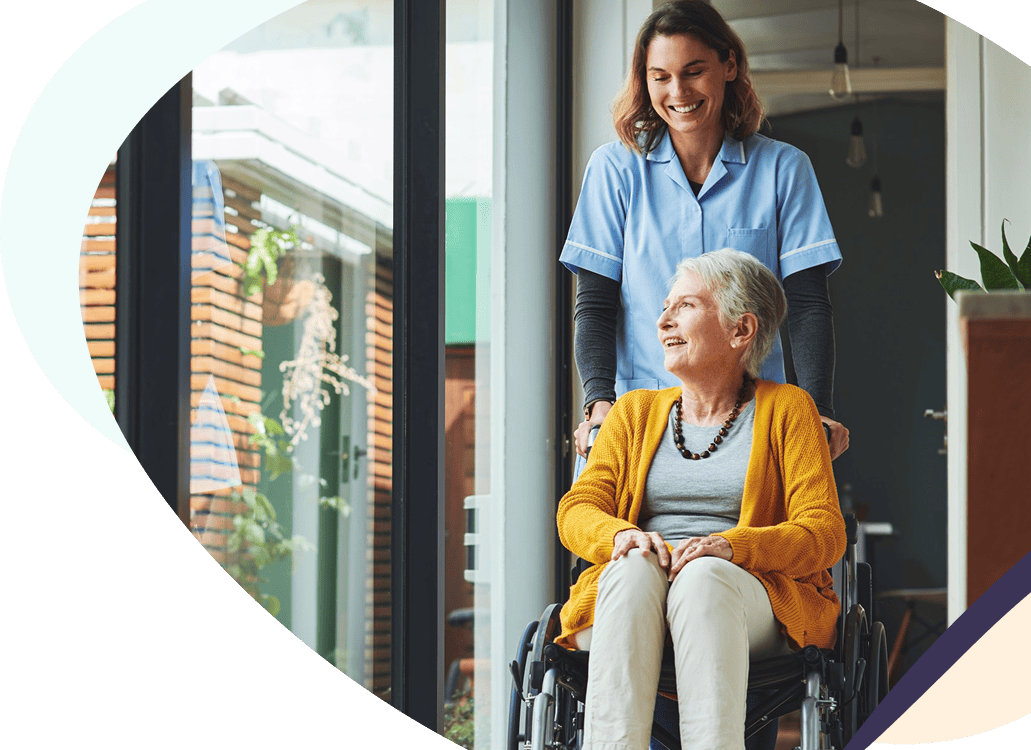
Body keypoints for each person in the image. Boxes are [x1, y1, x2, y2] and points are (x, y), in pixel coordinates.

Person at [556, 249, 846, 750]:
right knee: (630, 567)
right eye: (665, 307)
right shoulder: (633, 412)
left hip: (747, 592)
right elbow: (576, 510)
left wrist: (732, 547)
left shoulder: (789, 409)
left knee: (703, 578)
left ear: (740, 330)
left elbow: (823, 532)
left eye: (685, 306)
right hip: (639, 587)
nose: (663, 319)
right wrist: (622, 535)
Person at [562, 0, 850, 461]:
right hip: (641, 421)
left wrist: (816, 410)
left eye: (693, 71)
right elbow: (595, 305)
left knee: (750, 537)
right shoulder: (614, 170)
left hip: (753, 421)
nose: (678, 90)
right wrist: (598, 404)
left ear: (729, 65)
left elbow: (809, 306)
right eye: (661, 76)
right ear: (646, 81)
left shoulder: (784, 170)